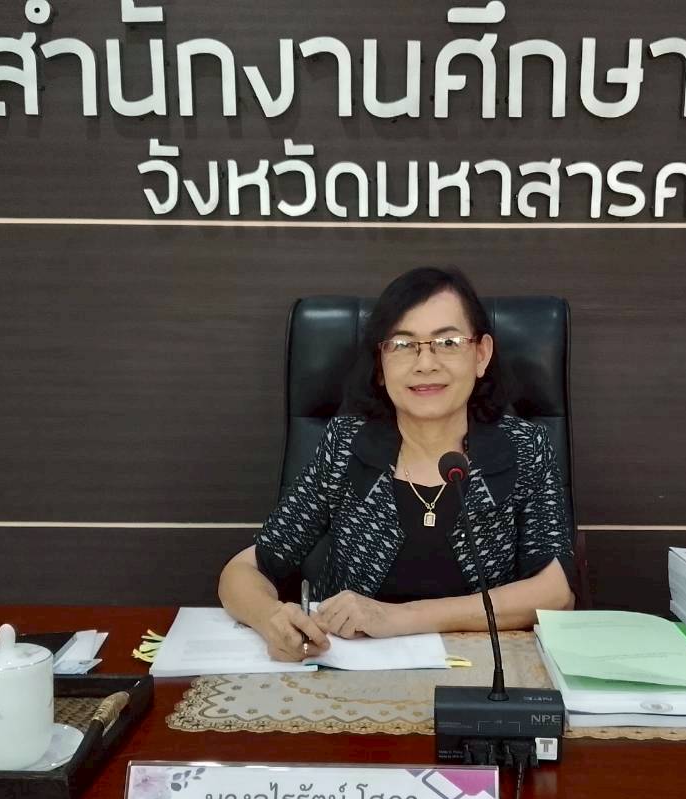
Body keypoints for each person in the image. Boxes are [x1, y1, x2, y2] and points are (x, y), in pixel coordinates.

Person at [218, 266, 575, 661]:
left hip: (485, 673)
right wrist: (271, 619)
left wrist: (400, 617)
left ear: (481, 354)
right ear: (380, 364)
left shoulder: (525, 448)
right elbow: (244, 570)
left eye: (448, 342)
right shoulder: (346, 445)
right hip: (349, 673)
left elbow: (555, 592)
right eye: (403, 345)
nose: (425, 363)